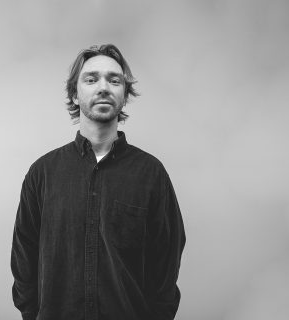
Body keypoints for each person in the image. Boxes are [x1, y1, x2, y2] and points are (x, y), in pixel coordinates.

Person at [11, 44, 186, 320]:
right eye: (91, 79)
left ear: (124, 95)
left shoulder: (151, 175)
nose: (103, 87)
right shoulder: (42, 174)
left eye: (114, 80)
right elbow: (24, 260)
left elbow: (166, 265)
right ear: (75, 94)